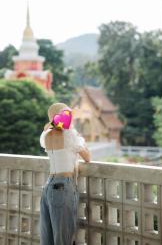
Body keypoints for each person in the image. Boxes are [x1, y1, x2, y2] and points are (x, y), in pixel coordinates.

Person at [39, 102, 91, 245]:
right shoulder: (70, 135)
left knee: (47, 238)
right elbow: (87, 157)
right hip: (63, 186)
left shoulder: (46, 135)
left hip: (48, 186)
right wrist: (80, 139)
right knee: (63, 238)